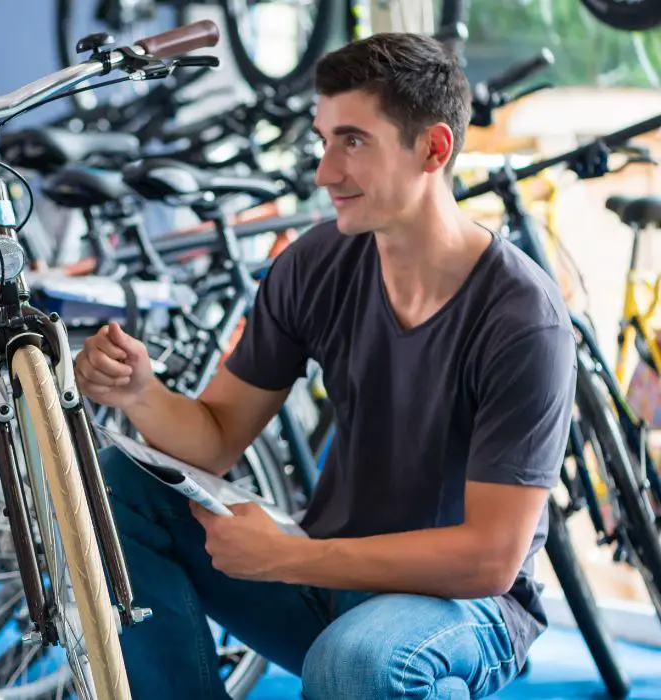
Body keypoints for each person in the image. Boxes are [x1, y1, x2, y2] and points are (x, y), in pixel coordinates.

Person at [76, 33, 576, 700]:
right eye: (324, 141)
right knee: (122, 486)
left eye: (354, 141)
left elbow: (489, 558)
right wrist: (140, 393)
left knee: (361, 665)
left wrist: (291, 557)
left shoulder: (522, 318)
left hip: (464, 605)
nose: (324, 172)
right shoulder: (315, 264)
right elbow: (219, 434)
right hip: (332, 576)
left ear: (433, 149)